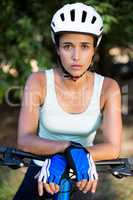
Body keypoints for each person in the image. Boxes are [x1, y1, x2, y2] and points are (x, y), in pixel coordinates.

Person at [13, 2, 122, 200]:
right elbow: (25, 139)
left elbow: (113, 147)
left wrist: (67, 157)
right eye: (67, 46)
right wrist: (69, 150)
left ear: (94, 49)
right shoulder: (38, 81)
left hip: (82, 176)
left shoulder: (108, 88)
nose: (76, 56)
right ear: (57, 49)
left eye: (85, 46)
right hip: (41, 170)